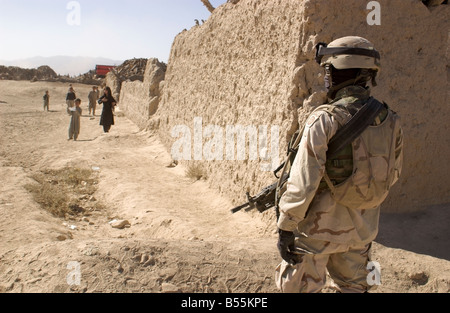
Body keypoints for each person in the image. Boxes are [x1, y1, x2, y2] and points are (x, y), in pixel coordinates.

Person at [275, 36, 404, 293]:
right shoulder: (391, 120)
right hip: (362, 231)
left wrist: (286, 226)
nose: (326, 77)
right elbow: (393, 175)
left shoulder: (324, 119)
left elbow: (303, 182)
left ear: (337, 71)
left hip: (316, 233)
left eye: (328, 70)